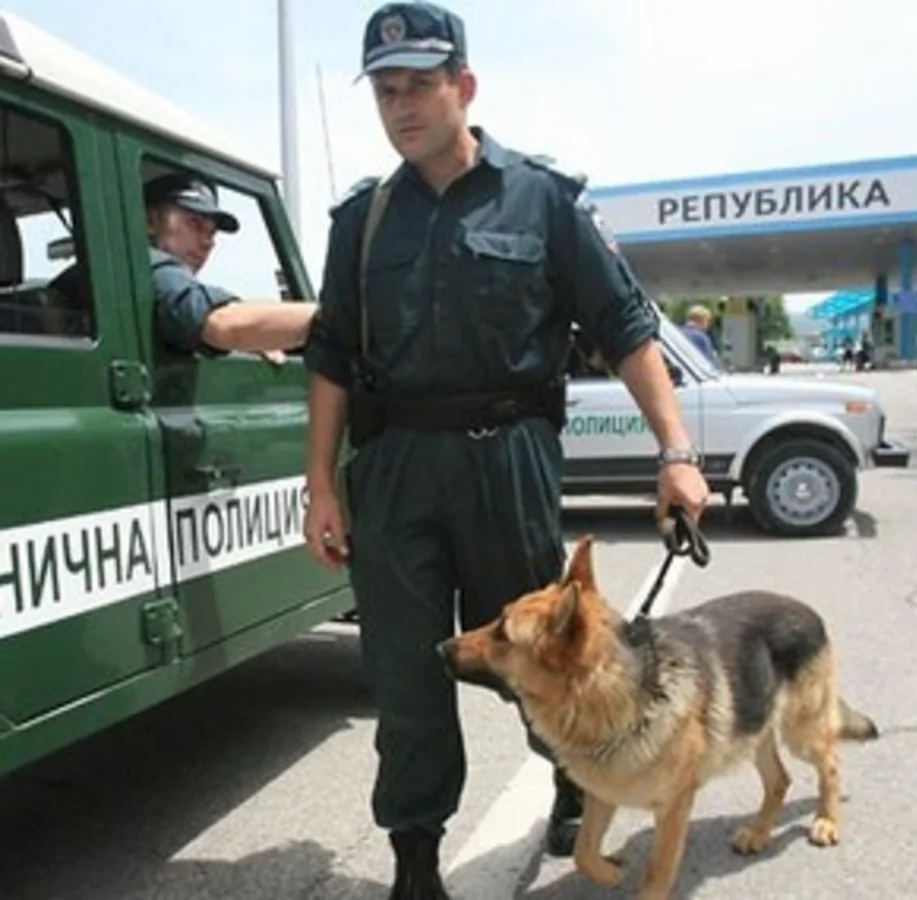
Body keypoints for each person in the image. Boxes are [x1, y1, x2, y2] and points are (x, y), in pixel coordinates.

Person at [299, 4, 709, 898]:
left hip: (508, 460)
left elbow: (627, 329)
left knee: (542, 655)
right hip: (397, 466)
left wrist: (677, 451)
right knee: (407, 674)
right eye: (386, 90)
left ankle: (571, 776)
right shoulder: (360, 221)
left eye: (419, 86)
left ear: (464, 88)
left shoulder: (543, 200)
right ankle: (414, 853)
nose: (401, 107)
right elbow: (329, 356)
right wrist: (319, 486)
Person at [47, 171, 317, 359]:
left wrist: (255, 334)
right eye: (194, 224)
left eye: (212, 232)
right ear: (148, 221)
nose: (207, 242)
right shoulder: (145, 265)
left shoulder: (102, 271)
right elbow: (223, 324)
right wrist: (340, 317)